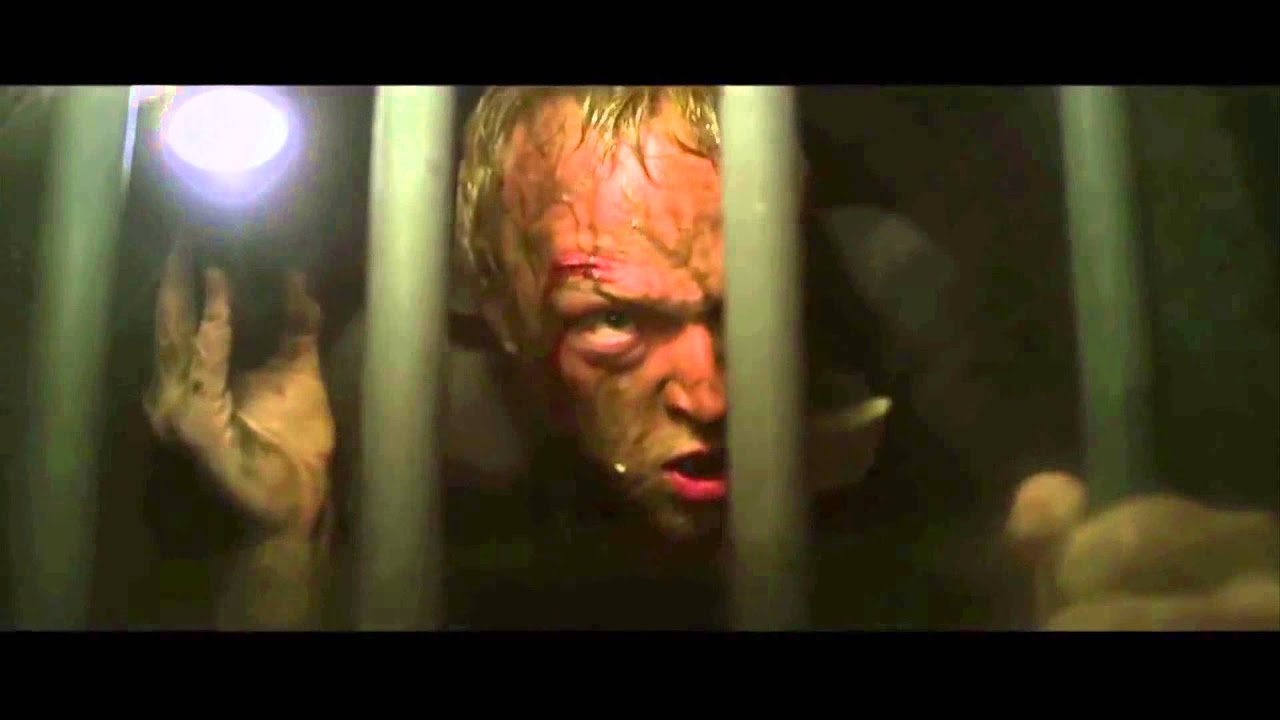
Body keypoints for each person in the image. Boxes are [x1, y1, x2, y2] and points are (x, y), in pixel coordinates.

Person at [142, 86, 1280, 630]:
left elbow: (1011, 551)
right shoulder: (395, 401)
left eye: (745, 312)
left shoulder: (885, 295)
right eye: (612, 321)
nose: (716, 392)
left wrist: (1079, 584)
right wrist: (286, 540)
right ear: (489, 302)